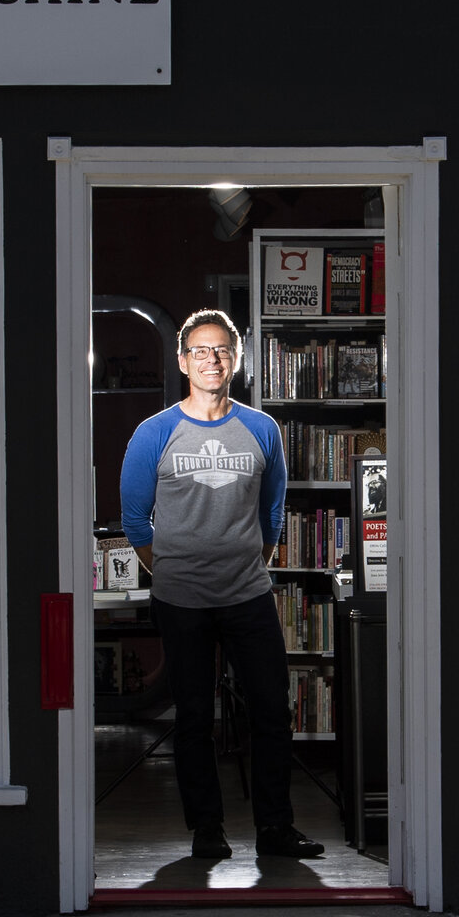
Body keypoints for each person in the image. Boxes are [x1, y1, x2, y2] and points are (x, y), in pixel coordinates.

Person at [119, 308, 325, 862]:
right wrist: (171, 571)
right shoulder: (154, 433)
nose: (211, 359)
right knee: (192, 718)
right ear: (183, 360)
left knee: (271, 714)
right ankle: (206, 830)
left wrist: (248, 562)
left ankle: (275, 830)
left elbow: (273, 511)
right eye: (200, 351)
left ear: (236, 359)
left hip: (248, 595)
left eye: (222, 350)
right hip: (181, 600)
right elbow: (136, 521)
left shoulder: (262, 429)